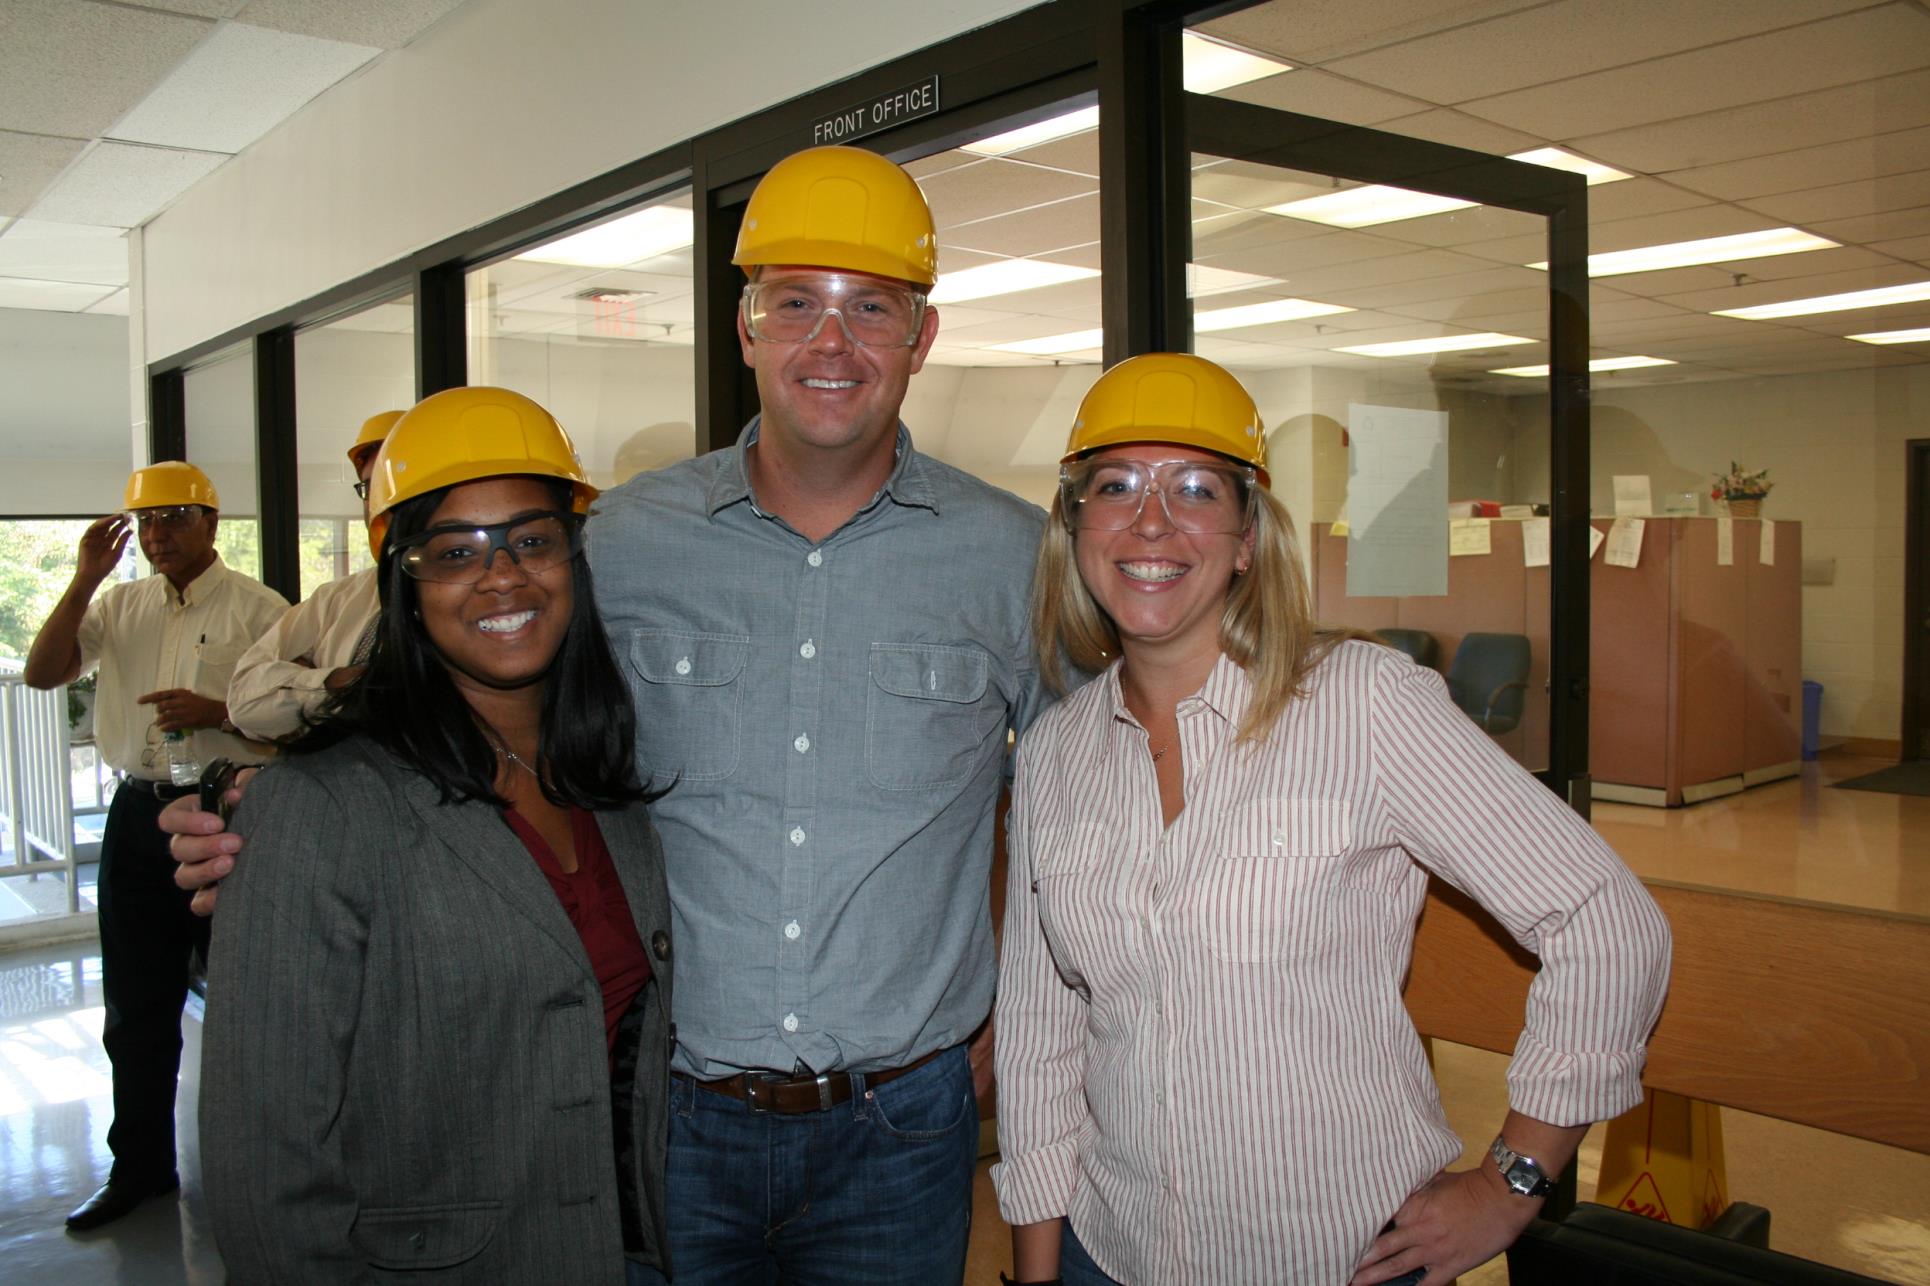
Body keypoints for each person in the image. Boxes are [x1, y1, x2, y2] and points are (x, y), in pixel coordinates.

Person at [169, 144, 1046, 1285]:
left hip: (904, 1122)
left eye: (870, 308)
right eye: (796, 304)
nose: (830, 344)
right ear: (746, 327)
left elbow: (1083, 787)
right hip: (658, 1119)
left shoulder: (1015, 555)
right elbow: (471, 696)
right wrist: (263, 815)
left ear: (920, 338)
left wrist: (1015, 1008)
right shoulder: (622, 540)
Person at [992, 354, 1672, 1286]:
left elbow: (1606, 921)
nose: (1151, 520)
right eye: (1115, 486)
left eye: (1195, 488)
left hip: (1343, 1259)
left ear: (1245, 542)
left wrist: (1513, 1183)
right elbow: (1039, 1040)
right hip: (1109, 1254)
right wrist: (1039, 1274)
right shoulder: (1057, 754)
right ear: (1075, 531)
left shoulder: (1365, 705)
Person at [198, 386, 673, 1282]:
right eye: (456, 552)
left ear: (575, 557)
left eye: (532, 540)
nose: (503, 576)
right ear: (404, 584)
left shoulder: (609, 784)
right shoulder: (325, 807)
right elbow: (265, 1163)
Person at [22, 461, 287, 1232]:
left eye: (175, 516)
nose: (158, 533)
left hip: (224, 814)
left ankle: (261, 1172)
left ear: (212, 522)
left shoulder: (260, 608)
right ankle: (140, 1169)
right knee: (135, 1007)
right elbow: (43, 674)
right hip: (137, 819)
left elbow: (297, 720)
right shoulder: (120, 604)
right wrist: (81, 580)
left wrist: (218, 710)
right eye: (147, 520)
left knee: (243, 1007)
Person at [225, 409, 401, 741]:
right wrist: (335, 681)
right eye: (369, 487)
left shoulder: (481, 590)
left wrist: (303, 688)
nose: (379, 501)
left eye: (392, 484)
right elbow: (244, 701)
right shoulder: (336, 600)